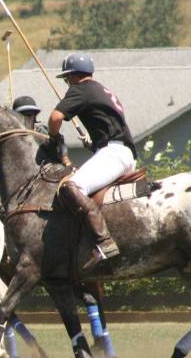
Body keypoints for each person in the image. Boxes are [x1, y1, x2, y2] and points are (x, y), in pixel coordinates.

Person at [47, 53, 138, 272]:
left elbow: (55, 118)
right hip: (122, 153)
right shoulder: (102, 89)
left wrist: (53, 138)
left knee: (71, 187)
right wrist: (95, 143)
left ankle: (103, 241)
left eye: (67, 78)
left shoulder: (81, 89)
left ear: (74, 75)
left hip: (114, 153)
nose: (67, 83)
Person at [13, 95, 70, 166]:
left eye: (30, 114)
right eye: (23, 114)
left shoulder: (43, 130)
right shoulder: (10, 136)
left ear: (35, 115)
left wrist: (65, 160)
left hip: (51, 171)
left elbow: (60, 142)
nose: (27, 117)